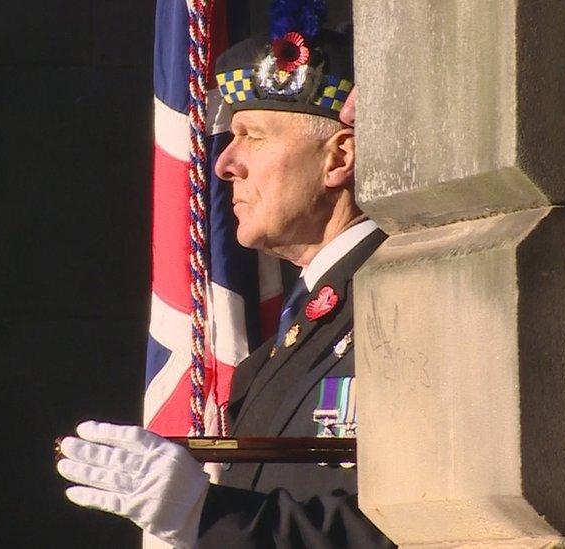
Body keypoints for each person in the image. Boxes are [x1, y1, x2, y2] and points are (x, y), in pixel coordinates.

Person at [56, 9, 396, 549]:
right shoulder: (287, 343)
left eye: (252, 136)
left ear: (340, 158)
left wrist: (209, 517)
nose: (223, 164)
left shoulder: (405, 303)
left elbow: (425, 526)